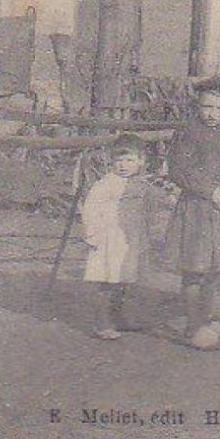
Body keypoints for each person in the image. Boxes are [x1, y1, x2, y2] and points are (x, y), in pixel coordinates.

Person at [163, 76, 220, 350]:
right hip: (197, 210)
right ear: (197, 106)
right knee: (194, 268)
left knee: (215, 268)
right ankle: (194, 326)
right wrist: (210, 191)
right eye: (207, 107)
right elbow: (179, 169)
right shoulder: (188, 133)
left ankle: (206, 318)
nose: (212, 114)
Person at [80, 134, 165, 340]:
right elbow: (90, 209)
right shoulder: (105, 184)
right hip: (109, 239)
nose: (123, 165)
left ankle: (118, 318)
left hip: (130, 240)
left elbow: (152, 207)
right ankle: (102, 323)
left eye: (129, 160)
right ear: (111, 161)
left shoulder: (141, 185)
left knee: (124, 281)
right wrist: (92, 234)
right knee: (108, 281)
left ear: (141, 161)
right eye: (119, 160)